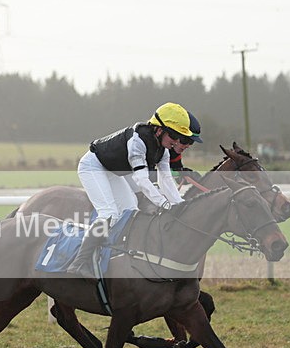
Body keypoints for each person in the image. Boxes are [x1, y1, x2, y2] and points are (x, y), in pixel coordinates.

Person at [68, 102, 203, 277]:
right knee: (109, 213)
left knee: (130, 209)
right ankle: (78, 263)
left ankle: (110, 253)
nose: (177, 142)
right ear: (159, 130)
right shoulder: (137, 141)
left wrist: (181, 205)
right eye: (175, 136)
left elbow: (166, 181)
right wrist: (164, 204)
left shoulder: (164, 150)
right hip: (93, 166)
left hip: (113, 171)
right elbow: (141, 180)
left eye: (180, 138)